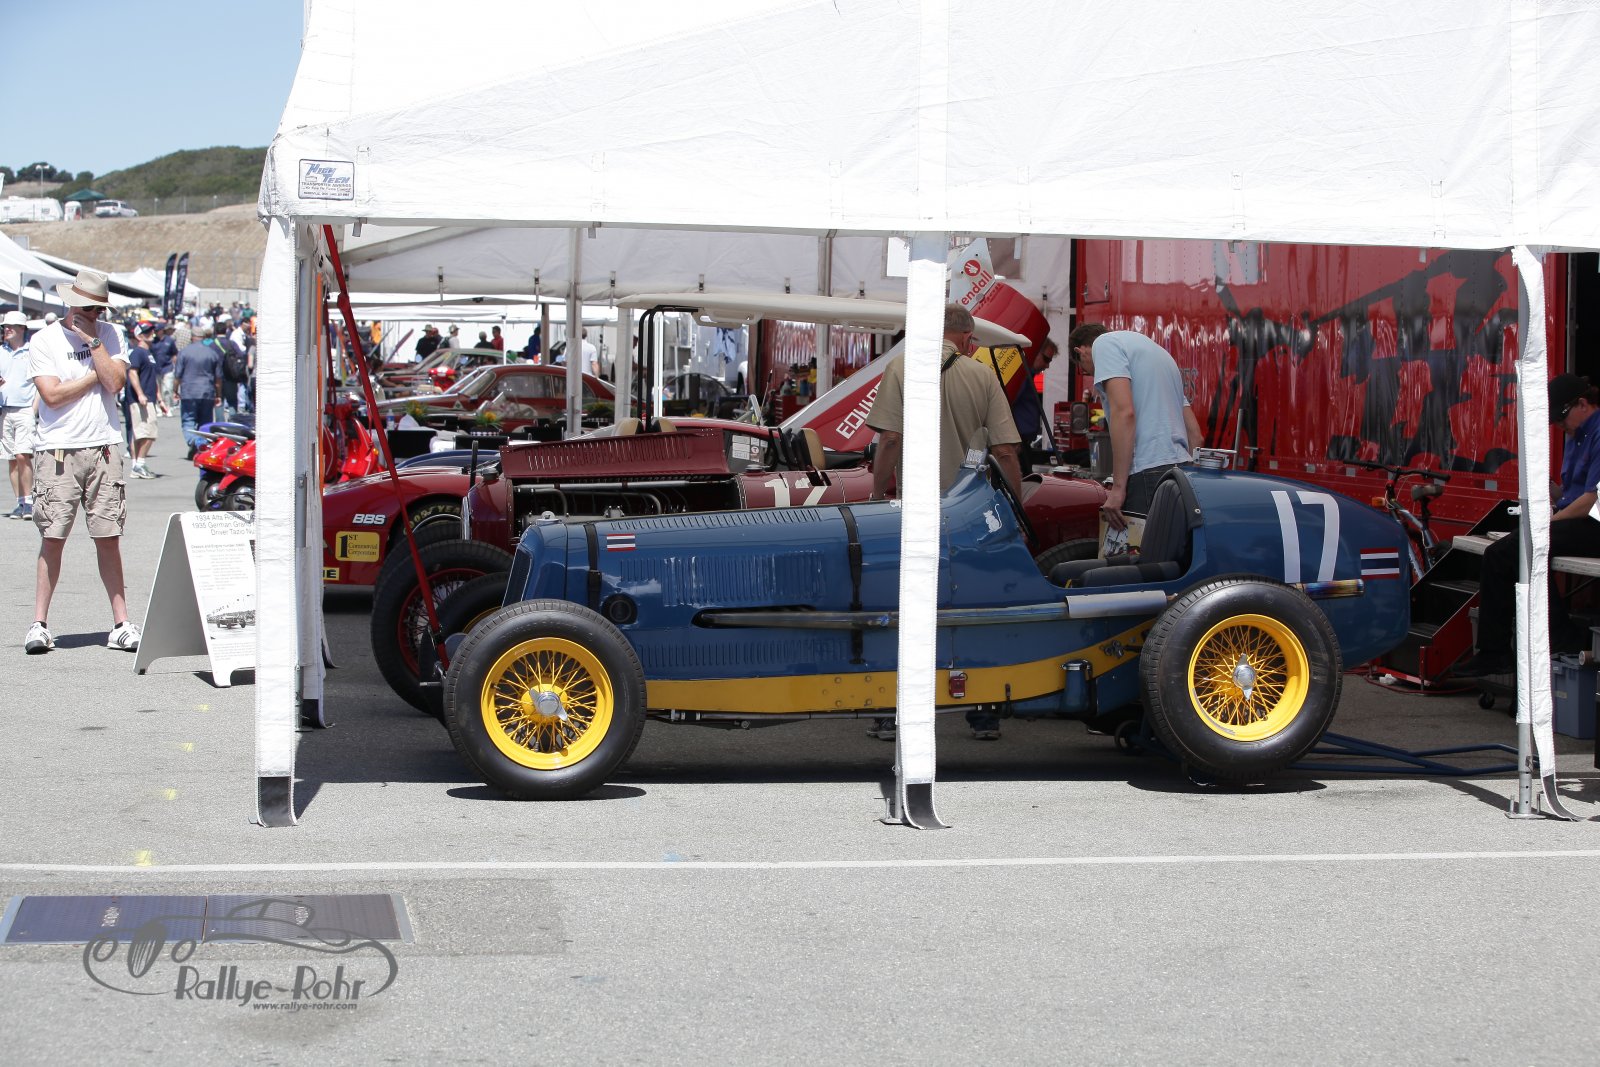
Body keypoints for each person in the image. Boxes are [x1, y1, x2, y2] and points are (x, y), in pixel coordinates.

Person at [865, 304, 1022, 741]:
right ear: (968, 338)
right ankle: (983, 713)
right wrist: (1015, 507)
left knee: (907, 610)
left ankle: (891, 714)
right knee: (974, 607)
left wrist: (877, 494)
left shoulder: (901, 367)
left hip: (916, 513)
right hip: (970, 515)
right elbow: (1005, 450)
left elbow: (890, 439)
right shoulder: (983, 375)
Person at [24, 269, 141, 654]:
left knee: (108, 536)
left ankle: (121, 623)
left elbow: (116, 382)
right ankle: (39, 624)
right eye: (88, 308)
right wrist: (96, 375)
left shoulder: (109, 334)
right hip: (58, 449)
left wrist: (93, 342)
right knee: (53, 537)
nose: (93, 314)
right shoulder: (44, 340)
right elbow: (52, 395)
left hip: (104, 445)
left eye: (98, 308)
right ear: (71, 303)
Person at [1455, 374, 1600, 678]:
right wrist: (1549, 489)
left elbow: (1592, 499)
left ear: (1583, 404)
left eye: (1560, 418)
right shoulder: (1576, 435)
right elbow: (1572, 492)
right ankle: (1515, 646)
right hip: (1576, 519)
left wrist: (1549, 521)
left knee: (1517, 549)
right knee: (1501, 553)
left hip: (1593, 523)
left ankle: (1535, 643)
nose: (1558, 426)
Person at [1068, 324, 1201, 529]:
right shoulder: (1160, 354)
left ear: (1081, 351)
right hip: (1181, 470)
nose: (1088, 373)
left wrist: (1118, 488)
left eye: (1082, 368)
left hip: (1146, 471)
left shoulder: (1103, 344)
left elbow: (1124, 413)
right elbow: (1196, 435)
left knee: (1139, 548)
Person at [0, 310, 37, 518]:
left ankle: (29, 501)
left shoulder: (32, 351)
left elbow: (40, 382)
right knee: (12, 458)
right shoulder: (1, 352)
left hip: (25, 410)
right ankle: (20, 502)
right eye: (5, 326)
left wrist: (33, 410)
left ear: (22, 328)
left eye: (11, 326)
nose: (6, 329)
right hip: (4, 410)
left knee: (23, 454)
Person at [174, 319, 223, 458]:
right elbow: (218, 378)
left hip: (189, 392)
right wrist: (218, 394)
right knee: (205, 423)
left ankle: (195, 442)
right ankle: (201, 445)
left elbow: (178, 375)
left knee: (188, 421)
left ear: (192, 337)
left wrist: (175, 390)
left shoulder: (184, 352)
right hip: (207, 392)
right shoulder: (212, 353)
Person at [123, 322, 159, 478]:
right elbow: (132, 373)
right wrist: (140, 394)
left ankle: (137, 464)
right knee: (149, 432)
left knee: (141, 432)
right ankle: (139, 464)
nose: (151, 333)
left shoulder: (148, 353)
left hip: (148, 396)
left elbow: (152, 377)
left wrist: (160, 398)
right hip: (141, 398)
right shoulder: (137, 352)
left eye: (151, 330)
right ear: (139, 336)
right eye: (147, 332)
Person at [150, 321, 178, 417]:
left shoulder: (169, 341)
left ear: (162, 330)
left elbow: (174, 354)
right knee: (157, 390)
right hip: (156, 369)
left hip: (167, 368)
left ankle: (168, 408)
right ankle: (159, 408)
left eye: (157, 330)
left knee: (167, 389)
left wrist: (175, 365)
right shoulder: (153, 341)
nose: (156, 332)